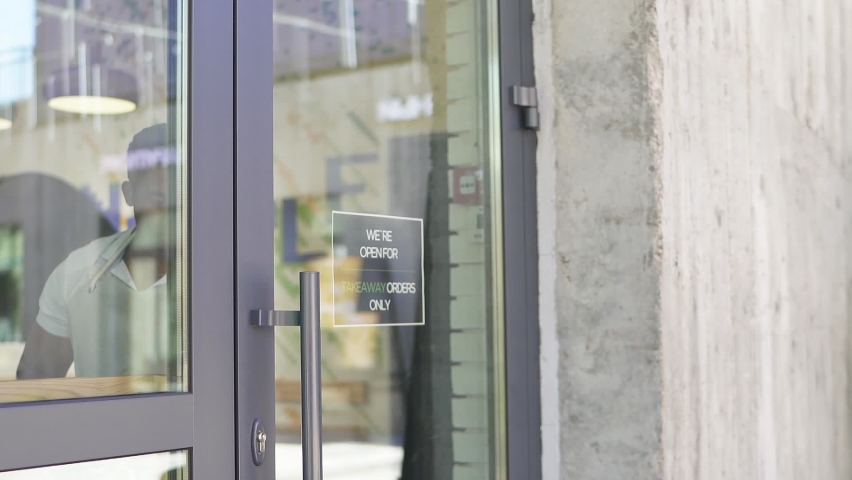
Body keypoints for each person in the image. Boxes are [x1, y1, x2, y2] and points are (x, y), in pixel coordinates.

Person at [16, 124, 178, 379]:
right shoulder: (78, 271)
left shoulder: (218, 279)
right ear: (129, 193)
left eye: (176, 197)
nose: (167, 211)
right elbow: (34, 381)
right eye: (157, 198)